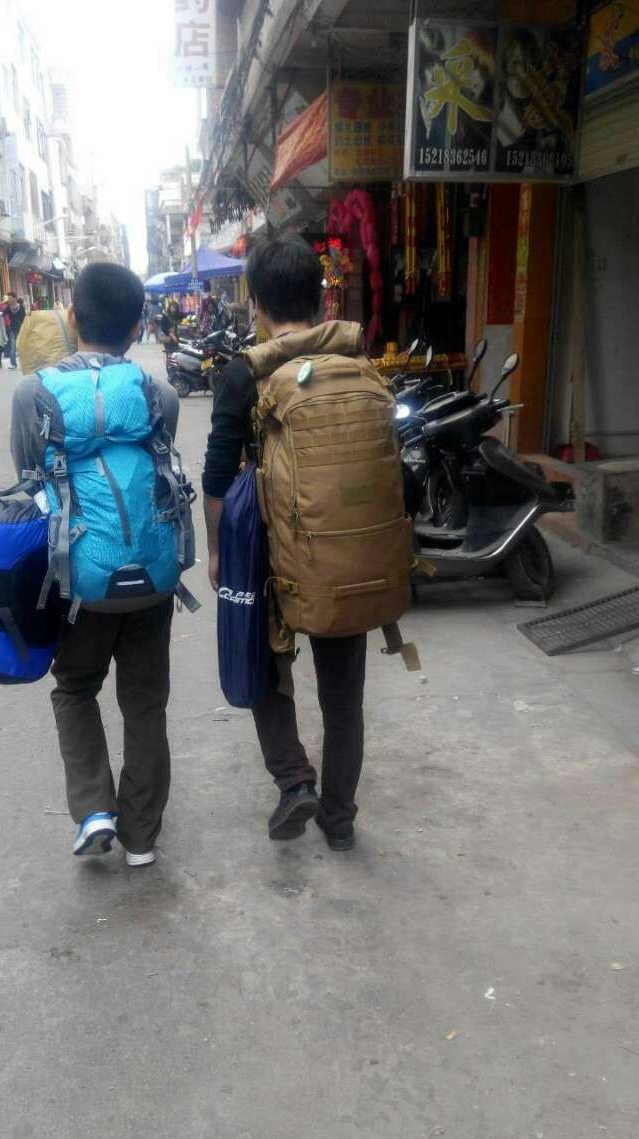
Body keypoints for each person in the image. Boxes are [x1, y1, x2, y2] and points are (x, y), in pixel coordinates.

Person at [203, 233, 379, 853]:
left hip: (268, 550)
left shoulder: (244, 373)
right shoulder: (356, 361)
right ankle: (340, 817)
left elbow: (218, 475)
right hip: (344, 550)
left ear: (257, 302)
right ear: (320, 296)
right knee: (343, 697)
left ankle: (294, 781)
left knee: (265, 671)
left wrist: (219, 552)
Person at [10, 263, 180, 866]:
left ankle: (94, 810)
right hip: (153, 575)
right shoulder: (158, 394)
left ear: (71, 317)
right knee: (145, 701)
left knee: (76, 688)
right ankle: (141, 837)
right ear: (138, 327)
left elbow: (27, 479)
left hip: (77, 578)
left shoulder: (33, 394)